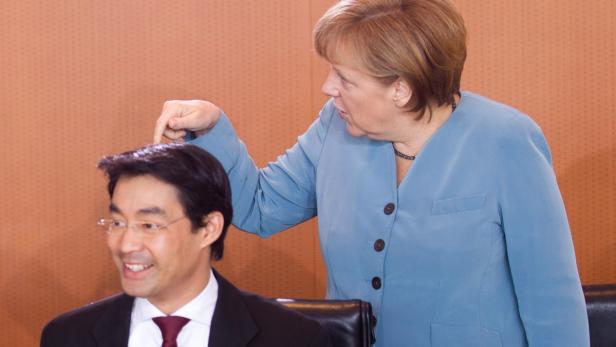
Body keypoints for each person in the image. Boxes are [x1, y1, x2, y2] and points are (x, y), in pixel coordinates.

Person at [153, 0, 589, 345]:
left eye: (345, 78)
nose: (329, 88)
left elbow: (550, 296)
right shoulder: (335, 127)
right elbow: (261, 207)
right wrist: (209, 129)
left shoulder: (506, 140)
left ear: (401, 88)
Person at [40, 144, 332, 347]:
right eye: (118, 223)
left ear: (208, 228)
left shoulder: (294, 338)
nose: (126, 244)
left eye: (149, 225)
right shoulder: (66, 337)